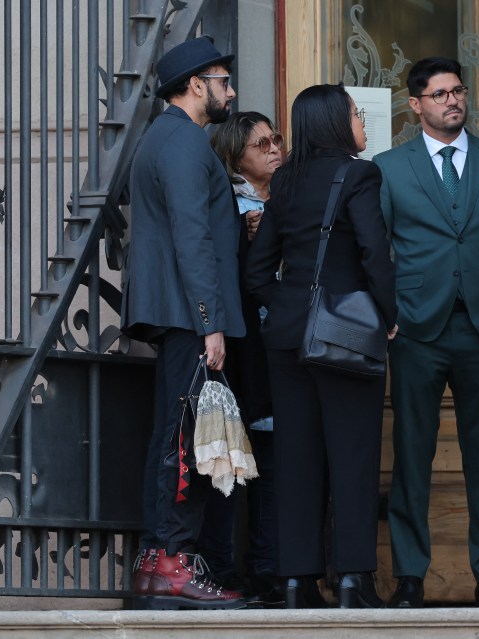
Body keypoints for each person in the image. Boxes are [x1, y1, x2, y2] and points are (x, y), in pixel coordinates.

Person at [373, 56, 479, 608]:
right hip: (416, 329)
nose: (452, 101)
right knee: (412, 456)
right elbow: (376, 250)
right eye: (439, 95)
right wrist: (389, 313)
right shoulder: (390, 167)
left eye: (458, 91)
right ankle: (410, 576)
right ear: (415, 105)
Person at [243, 84, 398, 609]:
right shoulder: (360, 174)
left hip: (287, 339)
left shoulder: (284, 182)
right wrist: (388, 316)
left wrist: (288, 308)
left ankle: (297, 582)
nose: (363, 122)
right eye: (357, 113)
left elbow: (258, 269)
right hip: (347, 335)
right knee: (352, 457)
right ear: (337, 122)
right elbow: (375, 252)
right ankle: (353, 579)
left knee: (296, 459)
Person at [120, 35, 245, 610]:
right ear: (197, 85)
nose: (231, 90)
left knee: (178, 432)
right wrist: (208, 321)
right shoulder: (182, 142)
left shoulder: (166, 138)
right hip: (187, 314)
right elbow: (191, 236)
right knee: (190, 438)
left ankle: (158, 565)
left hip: (177, 311)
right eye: (223, 80)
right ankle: (171, 565)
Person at [196, 111, 285, 607]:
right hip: (237, 349)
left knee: (272, 459)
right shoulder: (227, 206)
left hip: (279, 351)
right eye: (260, 144)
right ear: (234, 158)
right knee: (229, 460)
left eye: (276, 140)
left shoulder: (286, 199)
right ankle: (220, 568)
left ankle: (269, 569)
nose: (274, 149)